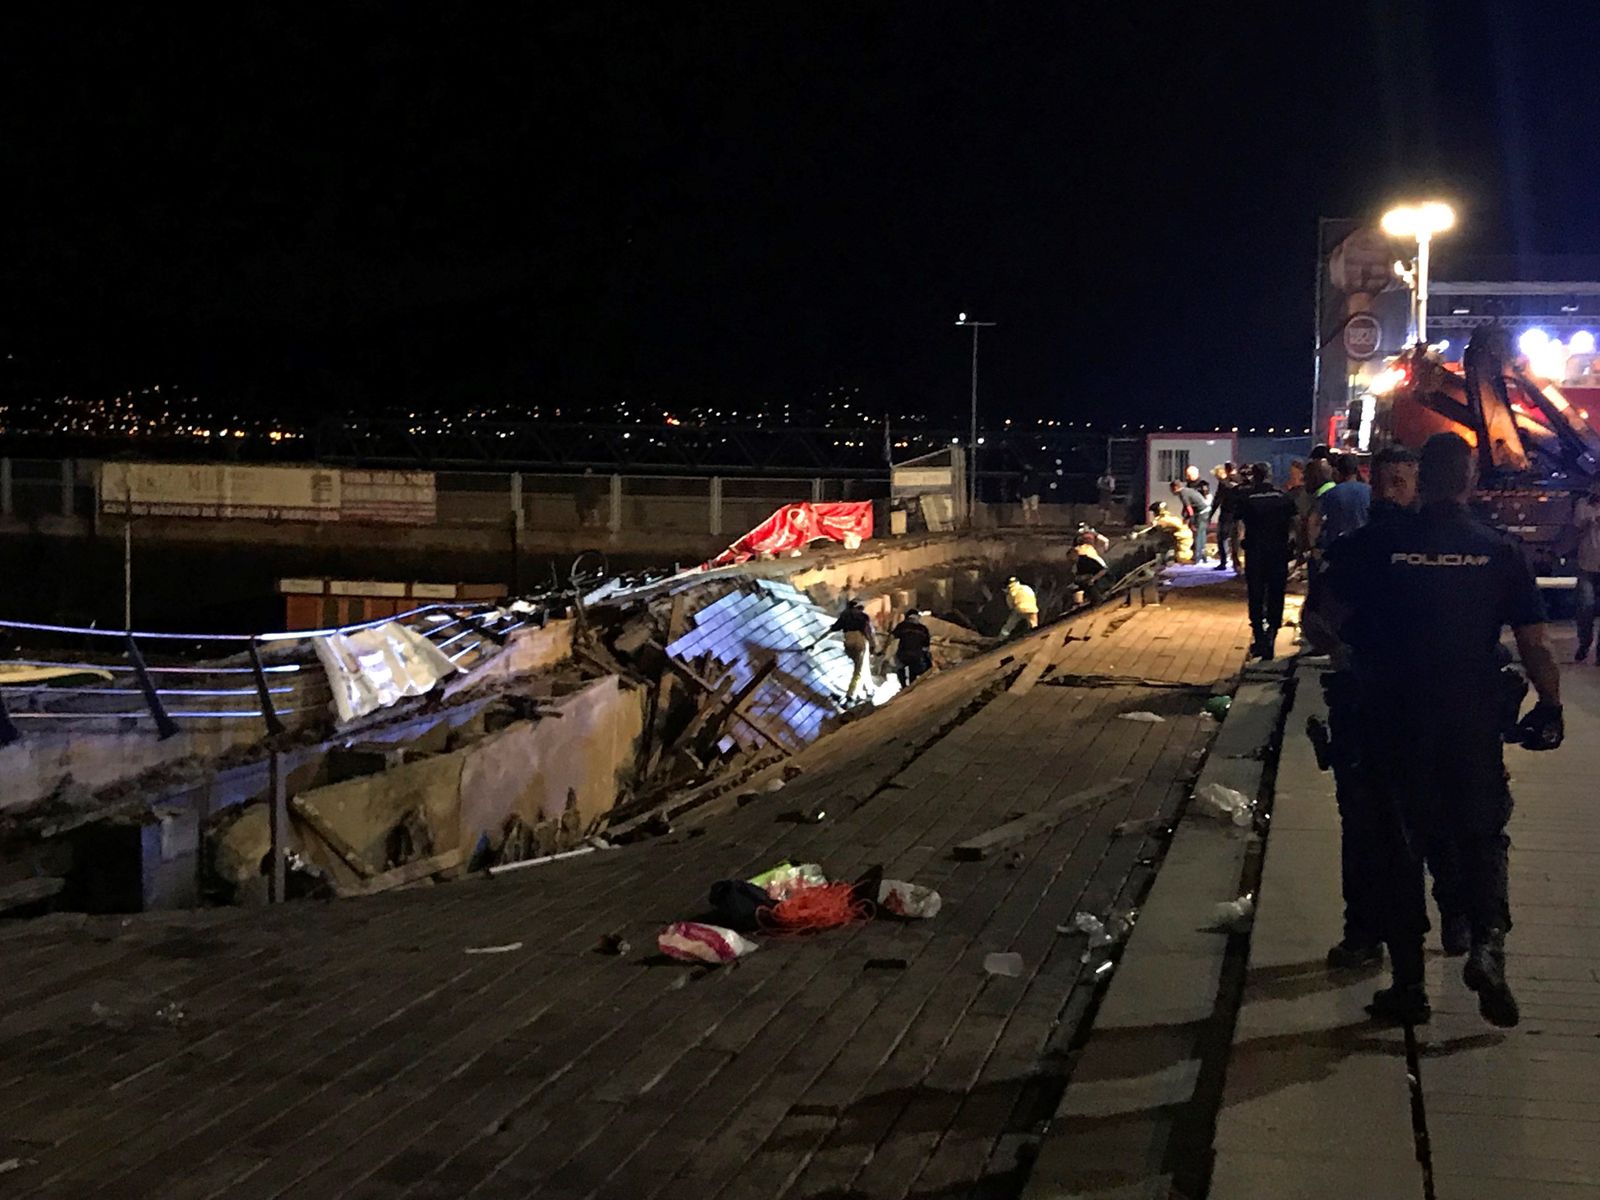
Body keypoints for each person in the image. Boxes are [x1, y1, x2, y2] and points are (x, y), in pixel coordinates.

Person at [1320, 432, 1564, 1027]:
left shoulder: (1372, 545)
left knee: (1397, 846)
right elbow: (1534, 644)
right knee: (1481, 833)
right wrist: (1552, 707)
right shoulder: (1499, 551)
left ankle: (1409, 987)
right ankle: (1486, 942)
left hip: (1390, 719)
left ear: (1420, 480)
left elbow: (1322, 621)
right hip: (1472, 719)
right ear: (1470, 479)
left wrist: (1365, 647)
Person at [1238, 462, 1295, 659]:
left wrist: (1238, 551)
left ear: (1255, 476)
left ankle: (1260, 637)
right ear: (1269, 475)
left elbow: (1238, 525)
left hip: (1255, 553)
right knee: (1276, 593)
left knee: (1256, 594)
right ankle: (1272, 633)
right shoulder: (1283, 497)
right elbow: (1295, 524)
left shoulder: (1247, 498)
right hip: (1278, 553)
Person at [821, 599, 879, 703]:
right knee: (859, 670)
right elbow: (869, 633)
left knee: (863, 665)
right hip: (860, 640)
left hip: (848, 640)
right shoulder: (863, 616)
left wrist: (814, 643)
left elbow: (832, 629)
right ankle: (851, 696)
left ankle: (870, 690)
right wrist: (874, 647)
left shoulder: (845, 615)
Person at [1318, 453, 1371, 549]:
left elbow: (1315, 521)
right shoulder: (1370, 491)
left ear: (1338, 471)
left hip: (1337, 547)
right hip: (1365, 545)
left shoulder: (1330, 494)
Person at [1573, 477, 1600, 662]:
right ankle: (1585, 641)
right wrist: (1593, 517)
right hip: (1587, 564)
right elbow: (1577, 524)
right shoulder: (1583, 504)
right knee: (1585, 606)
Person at [1170, 478, 1210, 563]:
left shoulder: (1183, 494)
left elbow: (1189, 509)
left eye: (1171, 489)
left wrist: (1190, 521)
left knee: (1197, 534)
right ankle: (1203, 555)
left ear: (1175, 487)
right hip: (1206, 510)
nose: (1171, 491)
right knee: (1202, 533)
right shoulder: (1187, 490)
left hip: (1201, 512)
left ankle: (1197, 557)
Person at [889, 608, 933, 685]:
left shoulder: (902, 626)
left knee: (900, 670)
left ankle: (903, 687)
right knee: (913, 674)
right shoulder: (923, 629)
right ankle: (911, 688)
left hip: (902, 654)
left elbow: (892, 637)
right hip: (916, 656)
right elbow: (926, 647)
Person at [1212, 463, 1243, 573]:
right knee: (1236, 539)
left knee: (1222, 538)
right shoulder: (1242, 481)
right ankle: (1237, 563)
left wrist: (1211, 514)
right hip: (1239, 514)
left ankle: (1223, 562)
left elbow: (1217, 499)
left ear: (1226, 469)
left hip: (1226, 513)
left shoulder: (1224, 483)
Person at [1070, 531, 1110, 605]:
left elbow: (1103, 570)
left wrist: (1092, 579)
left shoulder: (1085, 556)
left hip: (1103, 578)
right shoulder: (1081, 557)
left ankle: (1097, 599)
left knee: (1087, 583)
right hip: (1095, 575)